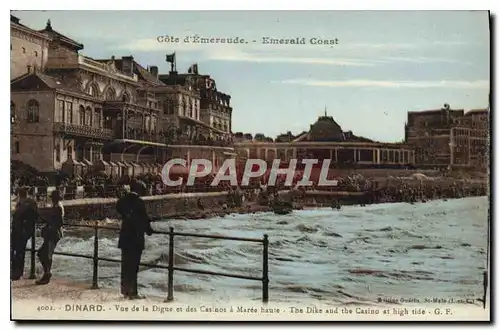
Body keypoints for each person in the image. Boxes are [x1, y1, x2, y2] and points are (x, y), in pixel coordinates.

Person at [116, 181, 153, 300]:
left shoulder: (123, 201)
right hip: (136, 238)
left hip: (125, 237)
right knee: (134, 266)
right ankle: (133, 292)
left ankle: (125, 290)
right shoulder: (139, 202)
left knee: (125, 265)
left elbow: (119, 206)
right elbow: (145, 219)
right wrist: (149, 231)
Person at [36, 190, 64, 285]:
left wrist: (49, 225)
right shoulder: (57, 206)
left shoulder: (58, 207)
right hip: (53, 232)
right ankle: (47, 273)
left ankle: (47, 274)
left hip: (54, 233)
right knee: (43, 253)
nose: (52, 199)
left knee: (46, 253)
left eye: (52, 198)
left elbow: (59, 222)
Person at [11, 187, 39, 280]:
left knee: (19, 251)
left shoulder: (31, 203)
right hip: (16, 229)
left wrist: (27, 226)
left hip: (24, 230)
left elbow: (35, 216)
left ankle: (18, 272)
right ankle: (14, 270)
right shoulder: (21, 202)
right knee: (13, 249)